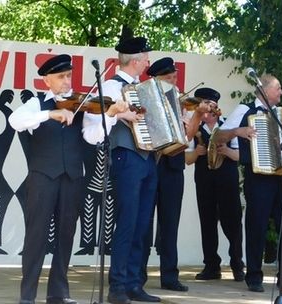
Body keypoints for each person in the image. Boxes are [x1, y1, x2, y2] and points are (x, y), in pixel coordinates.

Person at [9, 54, 127, 304]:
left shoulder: (81, 104)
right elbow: (15, 121)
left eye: (68, 76)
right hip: (42, 178)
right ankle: (27, 296)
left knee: (66, 235)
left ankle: (58, 293)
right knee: (36, 237)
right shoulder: (36, 104)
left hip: (73, 177)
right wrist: (50, 115)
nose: (66, 81)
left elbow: (93, 137)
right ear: (47, 81)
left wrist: (112, 115)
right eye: (60, 77)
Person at [214, 74, 282, 293]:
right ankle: (253, 275)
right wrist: (238, 131)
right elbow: (217, 137)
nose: (281, 93)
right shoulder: (245, 111)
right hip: (258, 177)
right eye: (278, 88)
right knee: (257, 225)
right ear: (263, 90)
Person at [145, 57, 213, 292]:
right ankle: (137, 275)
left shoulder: (181, 103)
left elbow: (187, 138)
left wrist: (196, 115)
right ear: (156, 79)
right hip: (150, 165)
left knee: (170, 223)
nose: (174, 82)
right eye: (169, 78)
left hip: (172, 168)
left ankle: (169, 276)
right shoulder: (145, 98)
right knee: (144, 223)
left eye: (175, 77)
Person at [102, 37, 161, 304]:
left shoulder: (143, 88)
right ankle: (117, 286)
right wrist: (123, 114)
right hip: (126, 156)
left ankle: (134, 283)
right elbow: (101, 114)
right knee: (127, 222)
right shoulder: (112, 86)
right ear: (135, 60)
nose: (148, 63)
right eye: (146, 58)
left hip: (147, 158)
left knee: (142, 223)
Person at [184, 87, 245, 282]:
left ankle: (237, 265)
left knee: (232, 222)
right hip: (204, 179)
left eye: (213, 107)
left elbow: (241, 156)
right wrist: (198, 153)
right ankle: (211, 266)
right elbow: (188, 159)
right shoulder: (194, 127)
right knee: (207, 222)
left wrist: (226, 150)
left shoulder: (229, 126)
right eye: (207, 106)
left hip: (227, 179)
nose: (210, 111)